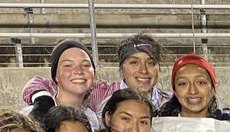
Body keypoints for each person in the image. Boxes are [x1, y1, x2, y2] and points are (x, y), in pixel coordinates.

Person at [23, 33, 173, 113]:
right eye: (134, 62)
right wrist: (43, 100)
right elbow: (40, 83)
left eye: (151, 63)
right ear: (122, 68)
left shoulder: (169, 101)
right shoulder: (100, 93)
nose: (144, 70)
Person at [23, 40, 102, 131]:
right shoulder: (32, 115)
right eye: (68, 65)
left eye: (85, 65)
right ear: (55, 76)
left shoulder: (93, 118)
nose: (79, 71)